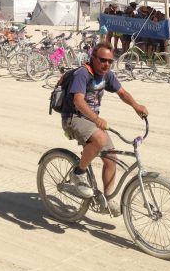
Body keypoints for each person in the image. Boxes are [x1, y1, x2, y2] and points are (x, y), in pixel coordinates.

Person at [61, 42, 148, 216]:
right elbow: (78, 101)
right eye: (102, 60)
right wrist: (96, 118)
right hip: (74, 118)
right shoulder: (82, 74)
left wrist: (136, 106)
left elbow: (122, 93)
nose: (106, 64)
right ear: (93, 58)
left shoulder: (107, 75)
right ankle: (78, 173)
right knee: (100, 139)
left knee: (112, 158)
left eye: (110, 61)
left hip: (92, 120)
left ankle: (106, 200)